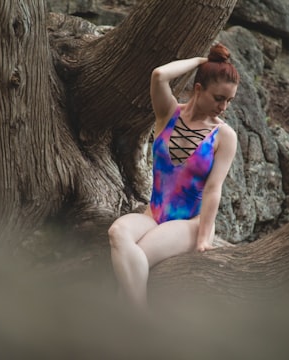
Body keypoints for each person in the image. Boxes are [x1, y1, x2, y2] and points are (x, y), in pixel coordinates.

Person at [108, 43, 239, 310]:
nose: (223, 107)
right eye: (218, 98)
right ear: (198, 89)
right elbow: (159, 75)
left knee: (138, 256)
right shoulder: (168, 113)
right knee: (117, 232)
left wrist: (203, 238)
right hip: (152, 215)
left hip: (190, 223)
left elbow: (214, 189)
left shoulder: (224, 136)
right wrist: (202, 60)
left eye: (229, 100)